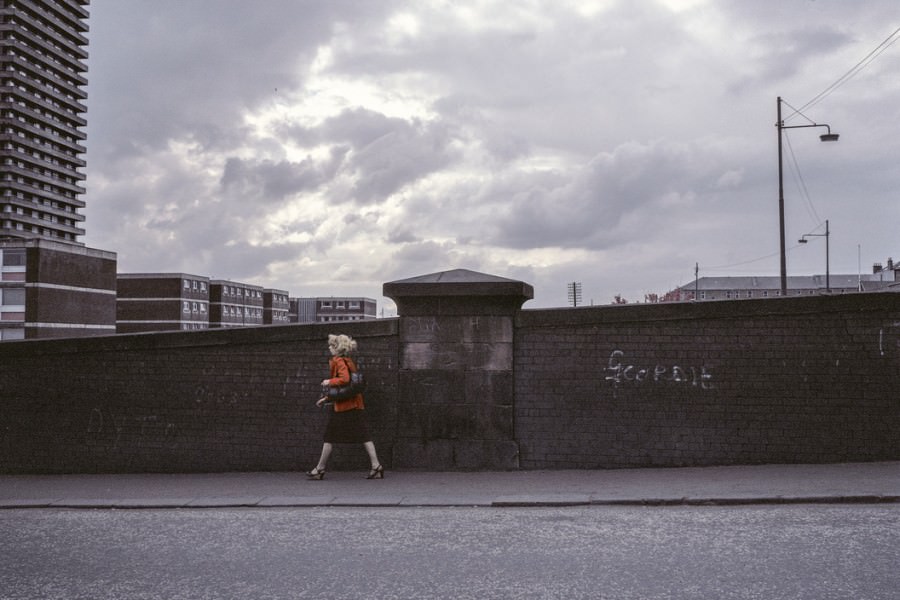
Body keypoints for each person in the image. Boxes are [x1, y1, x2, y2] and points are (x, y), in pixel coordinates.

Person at [307, 333, 384, 480]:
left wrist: (329, 382)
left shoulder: (339, 361)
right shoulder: (348, 361)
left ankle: (320, 469)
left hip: (344, 408)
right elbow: (346, 389)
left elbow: (344, 380)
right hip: (354, 404)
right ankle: (376, 466)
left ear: (336, 348)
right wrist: (327, 398)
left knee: (329, 436)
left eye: (331, 346)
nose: (329, 348)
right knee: (364, 435)